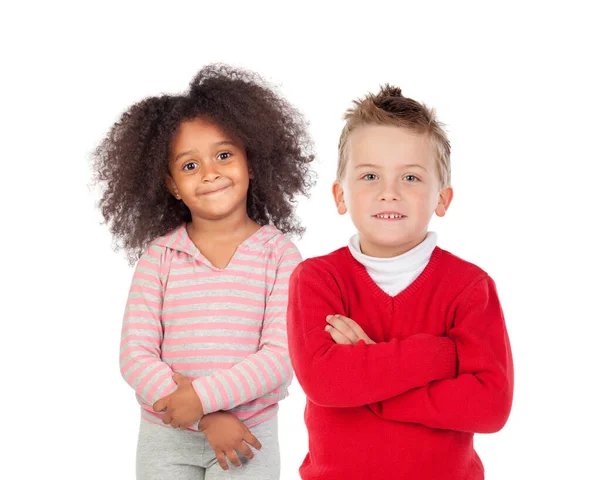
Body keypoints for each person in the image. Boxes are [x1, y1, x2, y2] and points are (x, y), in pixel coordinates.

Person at [92, 64, 314, 479]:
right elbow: (135, 355)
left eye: (224, 155)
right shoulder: (159, 257)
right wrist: (205, 417)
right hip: (167, 435)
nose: (210, 172)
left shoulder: (280, 256)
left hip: (249, 436)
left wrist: (204, 397)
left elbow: (281, 357)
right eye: (189, 166)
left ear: (251, 162)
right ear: (173, 185)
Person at [287, 84, 514, 479]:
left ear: (442, 199)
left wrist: (372, 378)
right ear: (341, 196)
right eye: (370, 175)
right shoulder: (317, 279)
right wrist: (439, 355)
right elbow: (326, 383)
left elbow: (490, 406)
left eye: (410, 177)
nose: (389, 193)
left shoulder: (469, 286)